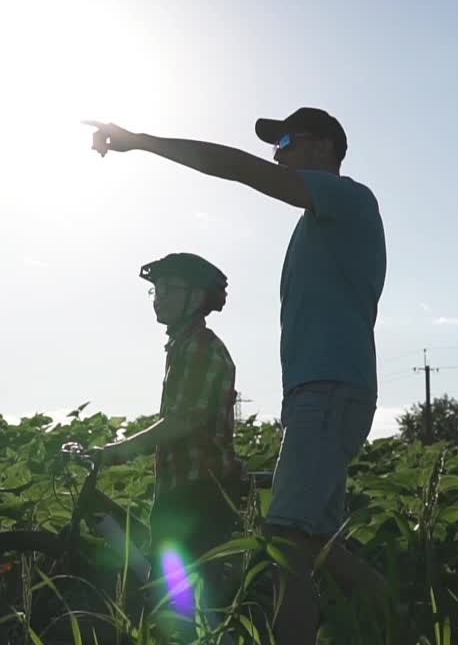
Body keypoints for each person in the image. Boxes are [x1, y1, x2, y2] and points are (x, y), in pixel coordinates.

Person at [86, 107, 392, 642]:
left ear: (325, 147)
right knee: (319, 544)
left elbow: (236, 167)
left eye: (289, 141)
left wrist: (144, 141)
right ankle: (408, 621)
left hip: (327, 393)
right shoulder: (319, 226)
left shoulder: (347, 198)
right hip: (317, 395)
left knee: (286, 545)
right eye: (277, 146)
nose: (278, 153)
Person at [93, 252, 244, 640]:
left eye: (169, 289)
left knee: (180, 604)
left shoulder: (200, 347)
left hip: (201, 491)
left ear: (196, 297)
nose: (158, 297)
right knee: (176, 598)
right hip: (183, 488)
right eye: (155, 290)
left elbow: (184, 420)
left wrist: (119, 449)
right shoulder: (181, 346)